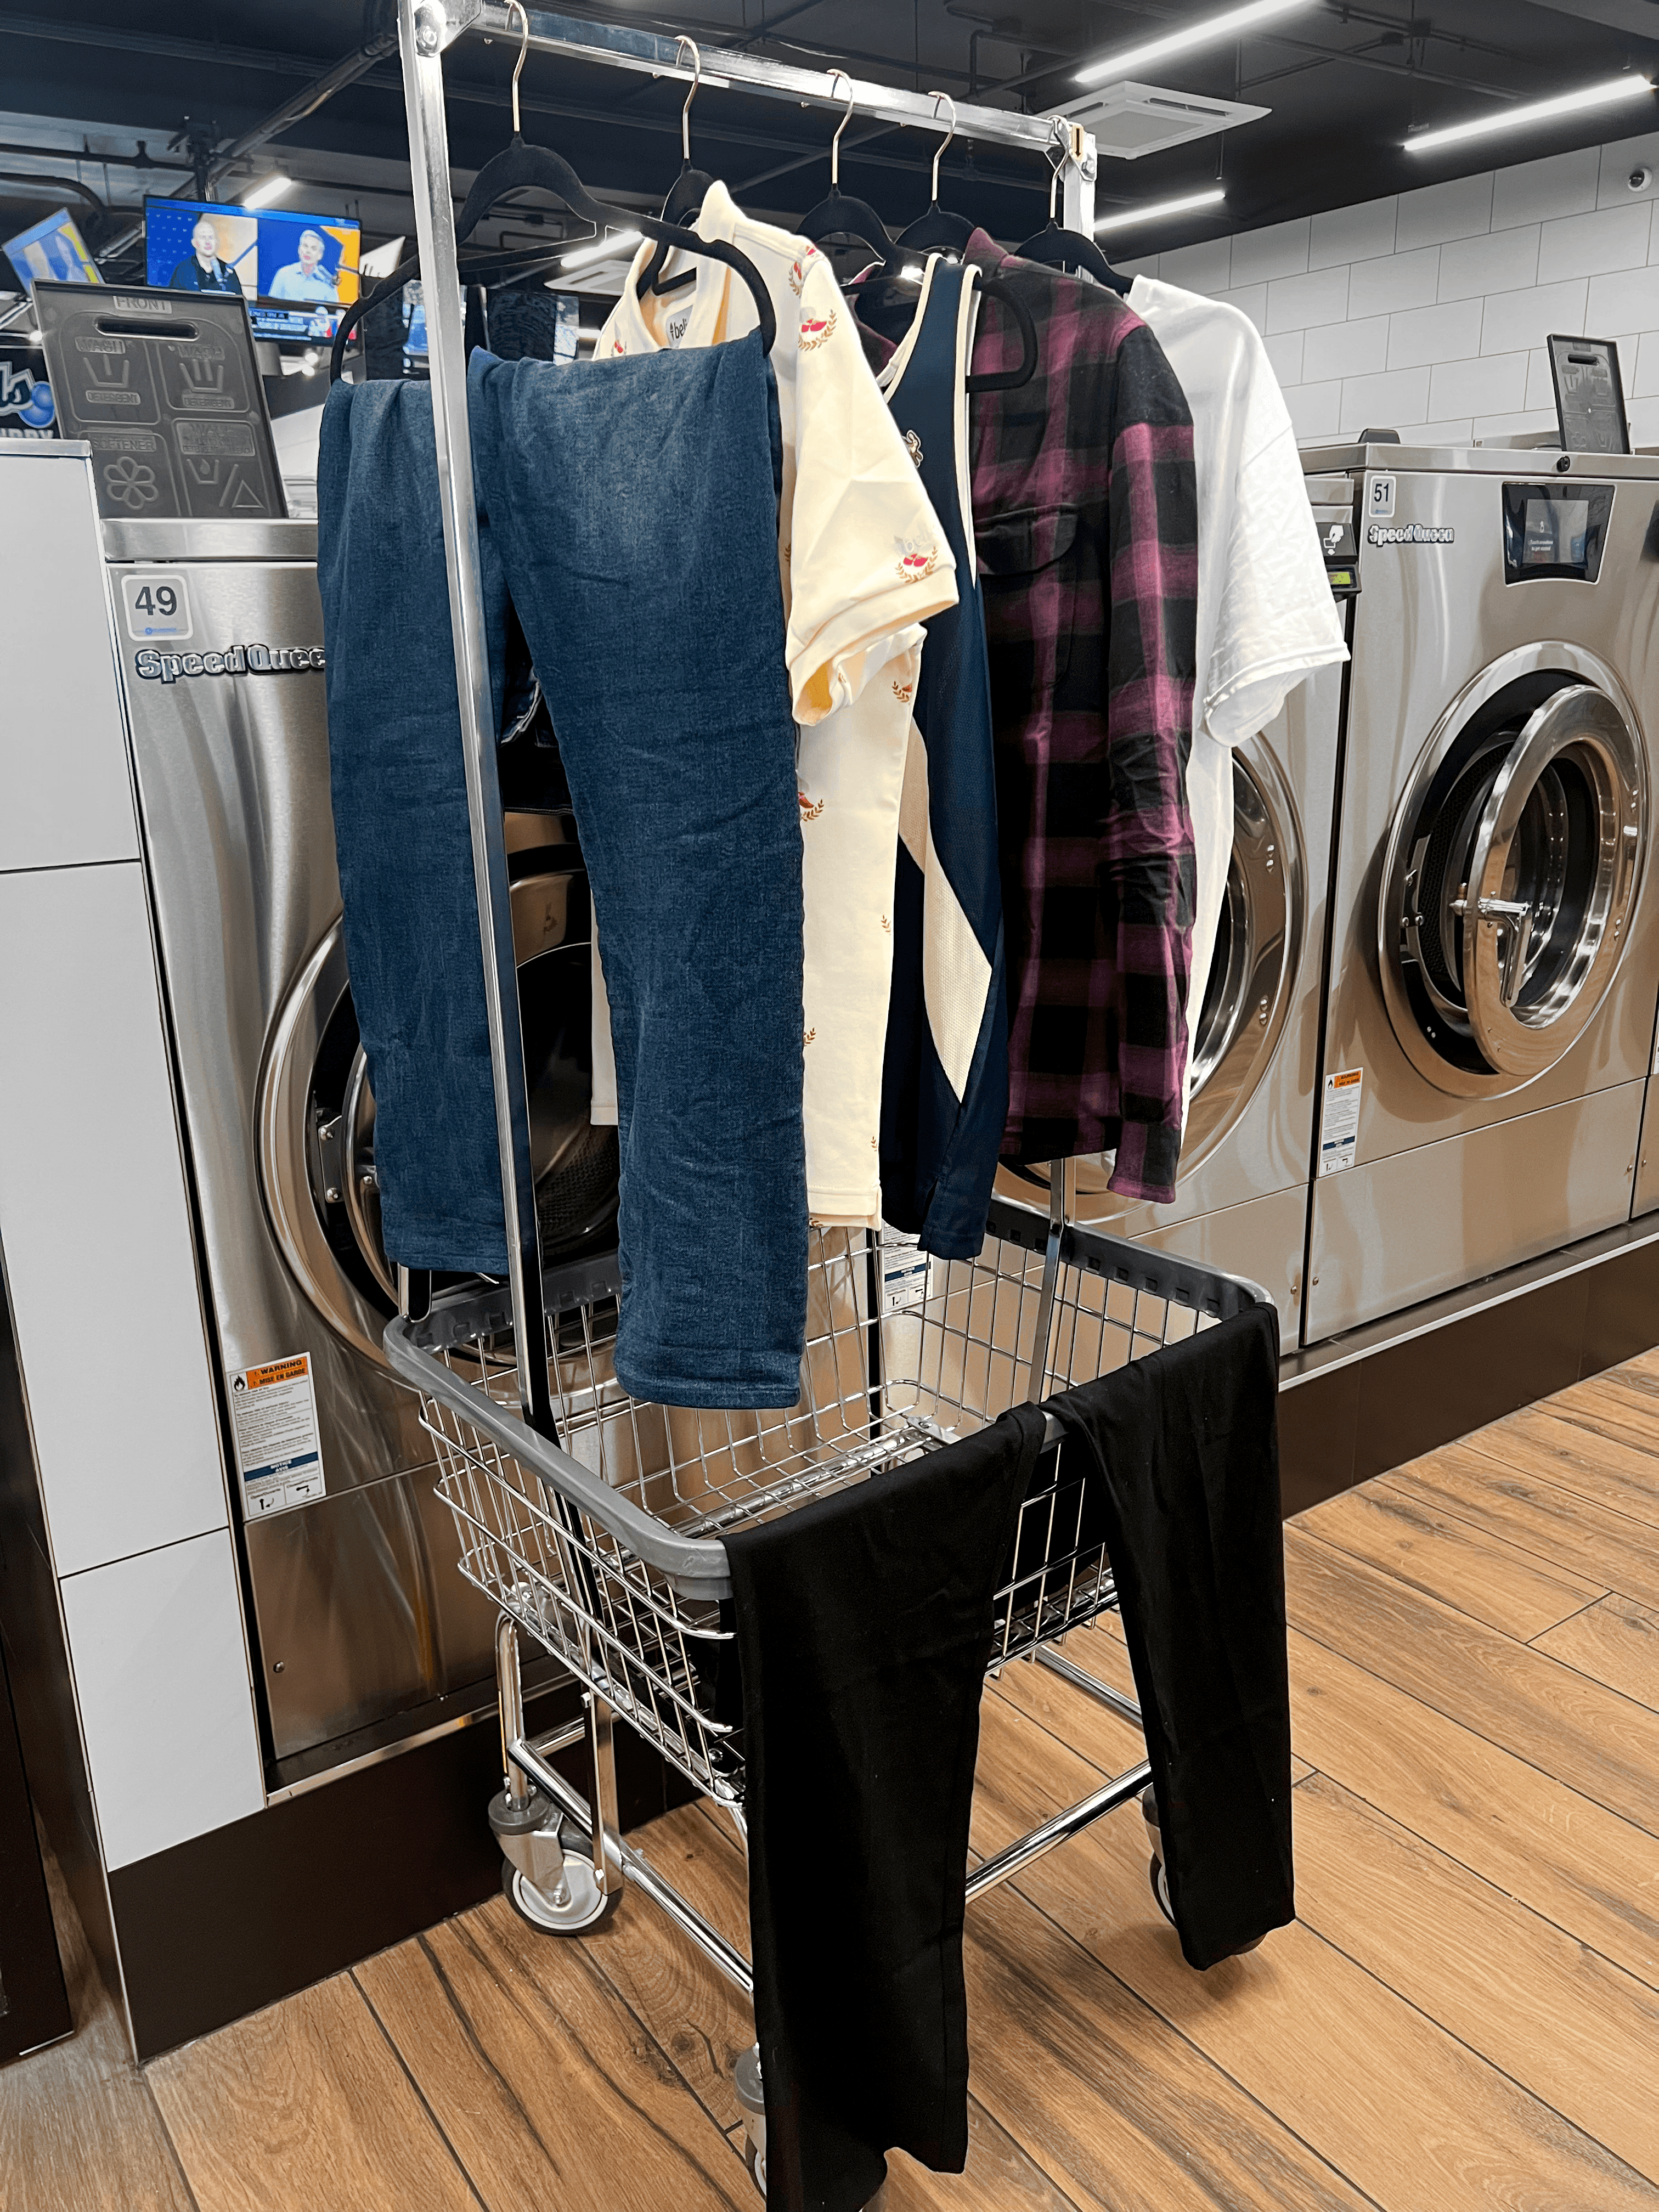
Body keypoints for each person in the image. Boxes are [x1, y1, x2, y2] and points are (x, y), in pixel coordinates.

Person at [168, 214, 242, 295]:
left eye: (211, 237)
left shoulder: (228, 273)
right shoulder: (183, 270)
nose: (208, 242)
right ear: (194, 243)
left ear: (216, 242)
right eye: (203, 237)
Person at [268, 228, 338, 303]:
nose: (308, 251)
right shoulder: (284, 274)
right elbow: (271, 306)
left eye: (313, 249)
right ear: (299, 250)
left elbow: (335, 312)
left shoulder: (327, 282)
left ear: (320, 255)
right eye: (305, 246)